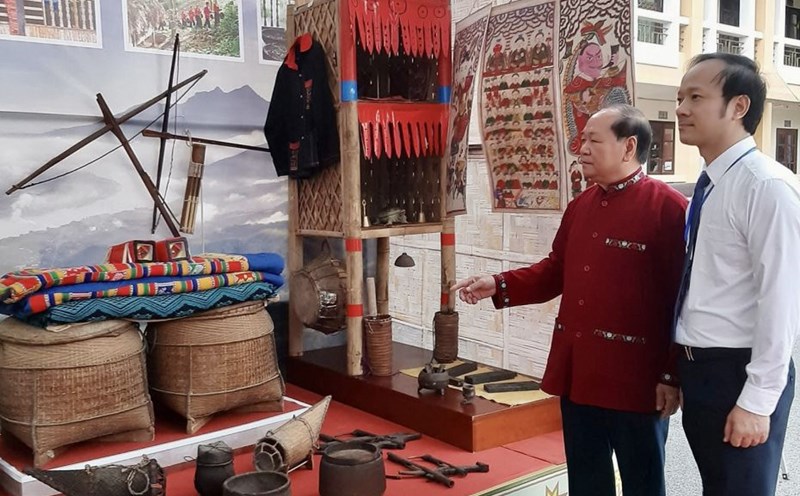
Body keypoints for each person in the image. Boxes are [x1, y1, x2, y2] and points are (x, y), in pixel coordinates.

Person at [452, 104, 688, 496]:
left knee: (643, 483)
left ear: (629, 147)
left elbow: (683, 301)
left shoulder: (668, 210)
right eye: (582, 140)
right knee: (586, 481)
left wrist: (671, 374)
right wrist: (497, 283)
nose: (582, 149)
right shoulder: (582, 206)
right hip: (580, 376)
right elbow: (555, 270)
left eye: (594, 140)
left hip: (638, 382)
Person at [674, 52, 800, 495]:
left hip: (738, 372)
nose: (681, 109)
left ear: (738, 106)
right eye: (679, 97)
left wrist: (757, 400)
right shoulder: (708, 185)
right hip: (701, 370)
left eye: (696, 97)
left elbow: (781, 301)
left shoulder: (766, 187)